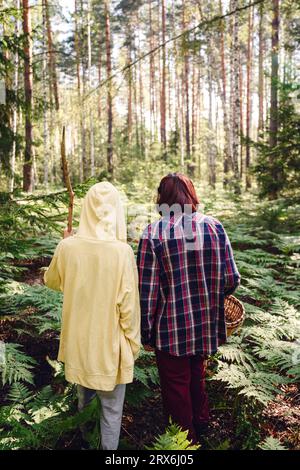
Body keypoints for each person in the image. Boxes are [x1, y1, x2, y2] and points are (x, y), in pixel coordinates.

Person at [137, 173, 241, 444]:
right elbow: (231, 279)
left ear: (162, 198)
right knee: (197, 374)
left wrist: (145, 333)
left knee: (175, 387)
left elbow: (146, 293)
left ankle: (185, 442)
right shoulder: (214, 227)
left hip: (170, 329)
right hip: (205, 325)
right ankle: (202, 423)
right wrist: (208, 297)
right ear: (191, 195)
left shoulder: (153, 233)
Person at [44, 182, 141, 450]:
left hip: (78, 345)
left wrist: (64, 241)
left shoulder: (68, 247)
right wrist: (132, 345)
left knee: (83, 401)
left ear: (86, 207)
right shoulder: (122, 252)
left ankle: (85, 442)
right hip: (108, 347)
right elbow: (129, 308)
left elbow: (51, 281)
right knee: (111, 412)